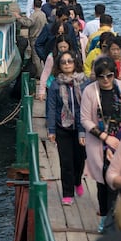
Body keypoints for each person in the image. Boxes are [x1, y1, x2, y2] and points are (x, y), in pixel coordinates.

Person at [80, 56, 121, 232]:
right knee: (103, 183)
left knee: (120, 181)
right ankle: (105, 218)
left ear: (114, 75)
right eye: (101, 76)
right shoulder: (89, 91)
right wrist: (105, 137)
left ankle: (119, 219)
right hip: (100, 144)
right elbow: (85, 120)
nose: (105, 80)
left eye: (109, 76)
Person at [45, 51, 88, 205]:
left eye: (70, 61)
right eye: (63, 62)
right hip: (62, 126)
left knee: (80, 158)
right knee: (66, 161)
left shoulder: (84, 82)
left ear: (75, 63)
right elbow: (50, 108)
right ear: (59, 65)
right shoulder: (55, 84)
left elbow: (87, 106)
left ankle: (77, 181)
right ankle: (67, 192)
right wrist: (51, 130)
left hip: (81, 126)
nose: (67, 64)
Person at [13, 0, 46, 77]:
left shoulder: (34, 15)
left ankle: (39, 74)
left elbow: (28, 23)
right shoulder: (43, 14)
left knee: (36, 57)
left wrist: (19, 18)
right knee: (39, 56)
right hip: (41, 37)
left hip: (34, 37)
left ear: (33, 5)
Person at [36, 35, 75, 101]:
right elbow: (45, 73)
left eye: (65, 47)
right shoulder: (51, 57)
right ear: (57, 46)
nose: (63, 49)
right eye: (60, 47)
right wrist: (41, 91)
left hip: (69, 84)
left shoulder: (74, 56)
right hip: (52, 85)